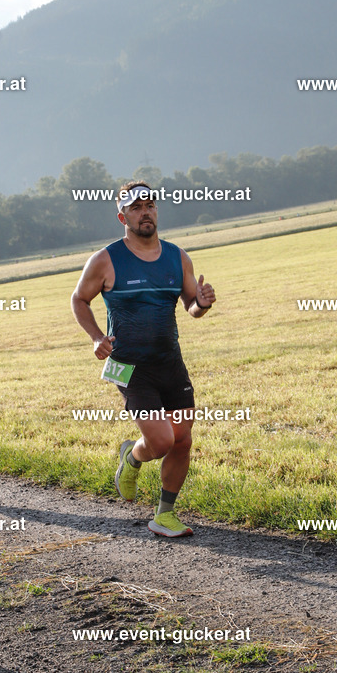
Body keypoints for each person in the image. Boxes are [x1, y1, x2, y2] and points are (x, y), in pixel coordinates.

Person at [71, 182, 216, 537]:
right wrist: (95, 338)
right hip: (130, 366)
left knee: (182, 440)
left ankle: (164, 515)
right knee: (162, 441)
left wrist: (203, 303)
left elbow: (191, 308)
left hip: (170, 362)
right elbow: (79, 299)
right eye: (136, 207)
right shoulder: (106, 259)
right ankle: (132, 457)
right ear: (123, 216)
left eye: (150, 204)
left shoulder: (177, 256)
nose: (145, 211)